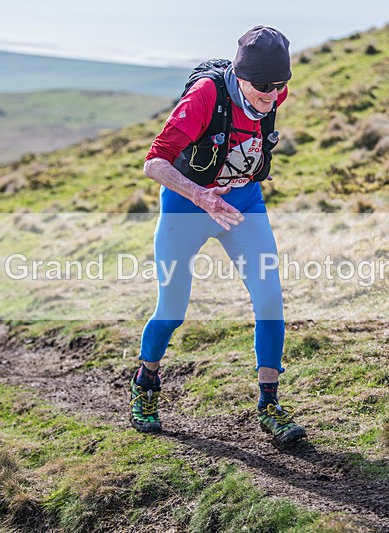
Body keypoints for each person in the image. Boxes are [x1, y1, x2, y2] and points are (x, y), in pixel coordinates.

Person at [129, 25, 306, 446]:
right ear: (240, 74)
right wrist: (200, 195)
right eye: (262, 88)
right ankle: (145, 383)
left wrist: (226, 194)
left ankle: (269, 405)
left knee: (269, 298)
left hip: (243, 204)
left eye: (279, 87)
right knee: (172, 308)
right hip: (188, 206)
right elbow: (154, 164)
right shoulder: (206, 96)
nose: (271, 97)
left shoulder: (273, 92)